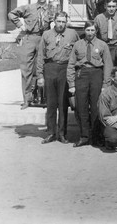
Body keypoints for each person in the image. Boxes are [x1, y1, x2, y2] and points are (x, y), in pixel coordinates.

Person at [67, 21, 113, 147]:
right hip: (81, 74)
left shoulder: (102, 45)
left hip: (96, 74)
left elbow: (108, 66)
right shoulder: (78, 45)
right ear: (84, 30)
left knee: (96, 107)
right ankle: (84, 136)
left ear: (96, 31)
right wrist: (71, 84)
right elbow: (71, 64)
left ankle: (96, 137)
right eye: (88, 30)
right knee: (81, 106)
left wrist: (105, 84)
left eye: (93, 30)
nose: (90, 33)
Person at [36, 11, 79, 144]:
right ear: (54, 21)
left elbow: (79, 50)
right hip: (50, 68)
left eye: (63, 22)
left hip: (65, 69)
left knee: (63, 103)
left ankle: (62, 133)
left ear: (67, 22)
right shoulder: (46, 34)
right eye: (59, 21)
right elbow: (40, 56)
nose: (61, 24)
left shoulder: (72, 34)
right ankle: (50, 133)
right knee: (51, 103)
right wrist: (40, 76)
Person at [8, 0, 51, 109]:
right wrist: (20, 25)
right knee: (26, 69)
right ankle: (27, 99)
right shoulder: (29, 8)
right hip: (30, 38)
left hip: (45, 38)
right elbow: (12, 14)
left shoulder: (51, 9)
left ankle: (45, 98)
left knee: (44, 68)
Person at [94, 0, 117, 64]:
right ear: (105, 6)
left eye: (113, 6)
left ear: (116, 7)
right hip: (104, 46)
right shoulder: (99, 19)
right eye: (109, 6)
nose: (111, 9)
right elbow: (92, 34)